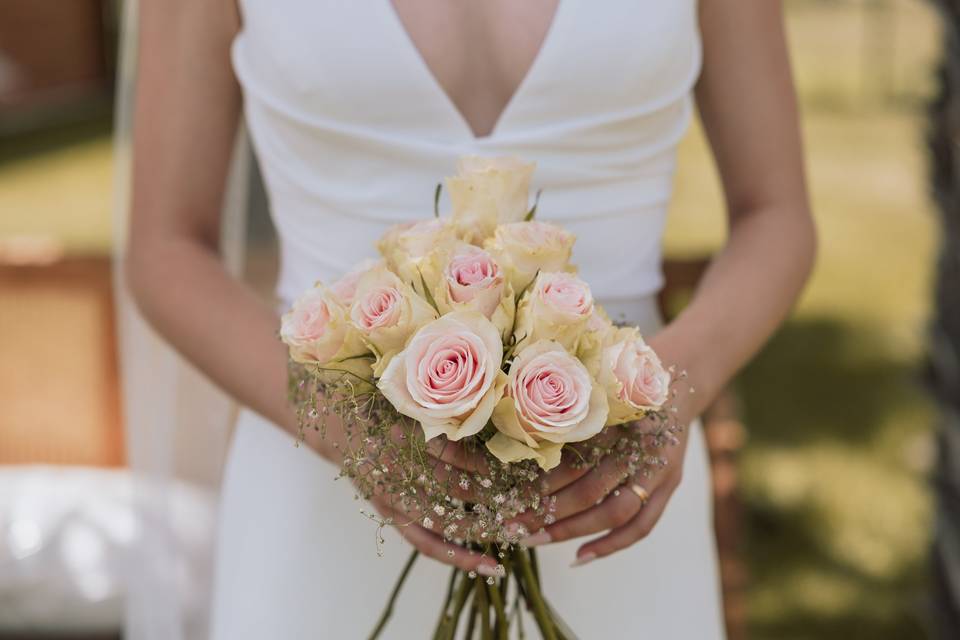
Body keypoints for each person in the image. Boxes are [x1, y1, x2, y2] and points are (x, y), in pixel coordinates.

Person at [126, 0, 815, 637]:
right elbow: (165, 250)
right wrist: (348, 430)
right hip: (321, 497)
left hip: (609, 496)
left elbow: (776, 215)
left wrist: (671, 389)